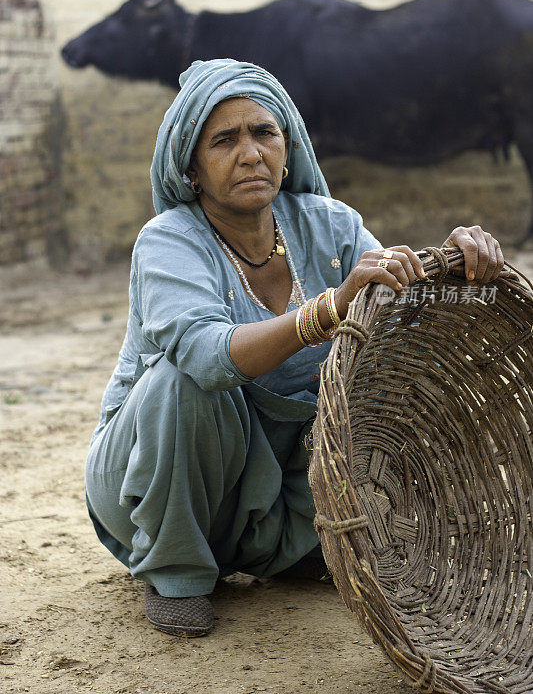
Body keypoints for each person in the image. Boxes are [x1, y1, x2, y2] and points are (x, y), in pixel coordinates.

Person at [85, 58, 505, 638]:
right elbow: (208, 357)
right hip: (164, 475)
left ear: (289, 146)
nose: (251, 153)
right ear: (193, 171)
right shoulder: (169, 241)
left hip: (279, 483)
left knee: (374, 391)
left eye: (264, 133)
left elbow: (401, 330)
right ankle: (176, 571)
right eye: (224, 141)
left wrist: (456, 267)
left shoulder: (331, 226)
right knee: (184, 385)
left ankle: (295, 547)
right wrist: (329, 309)